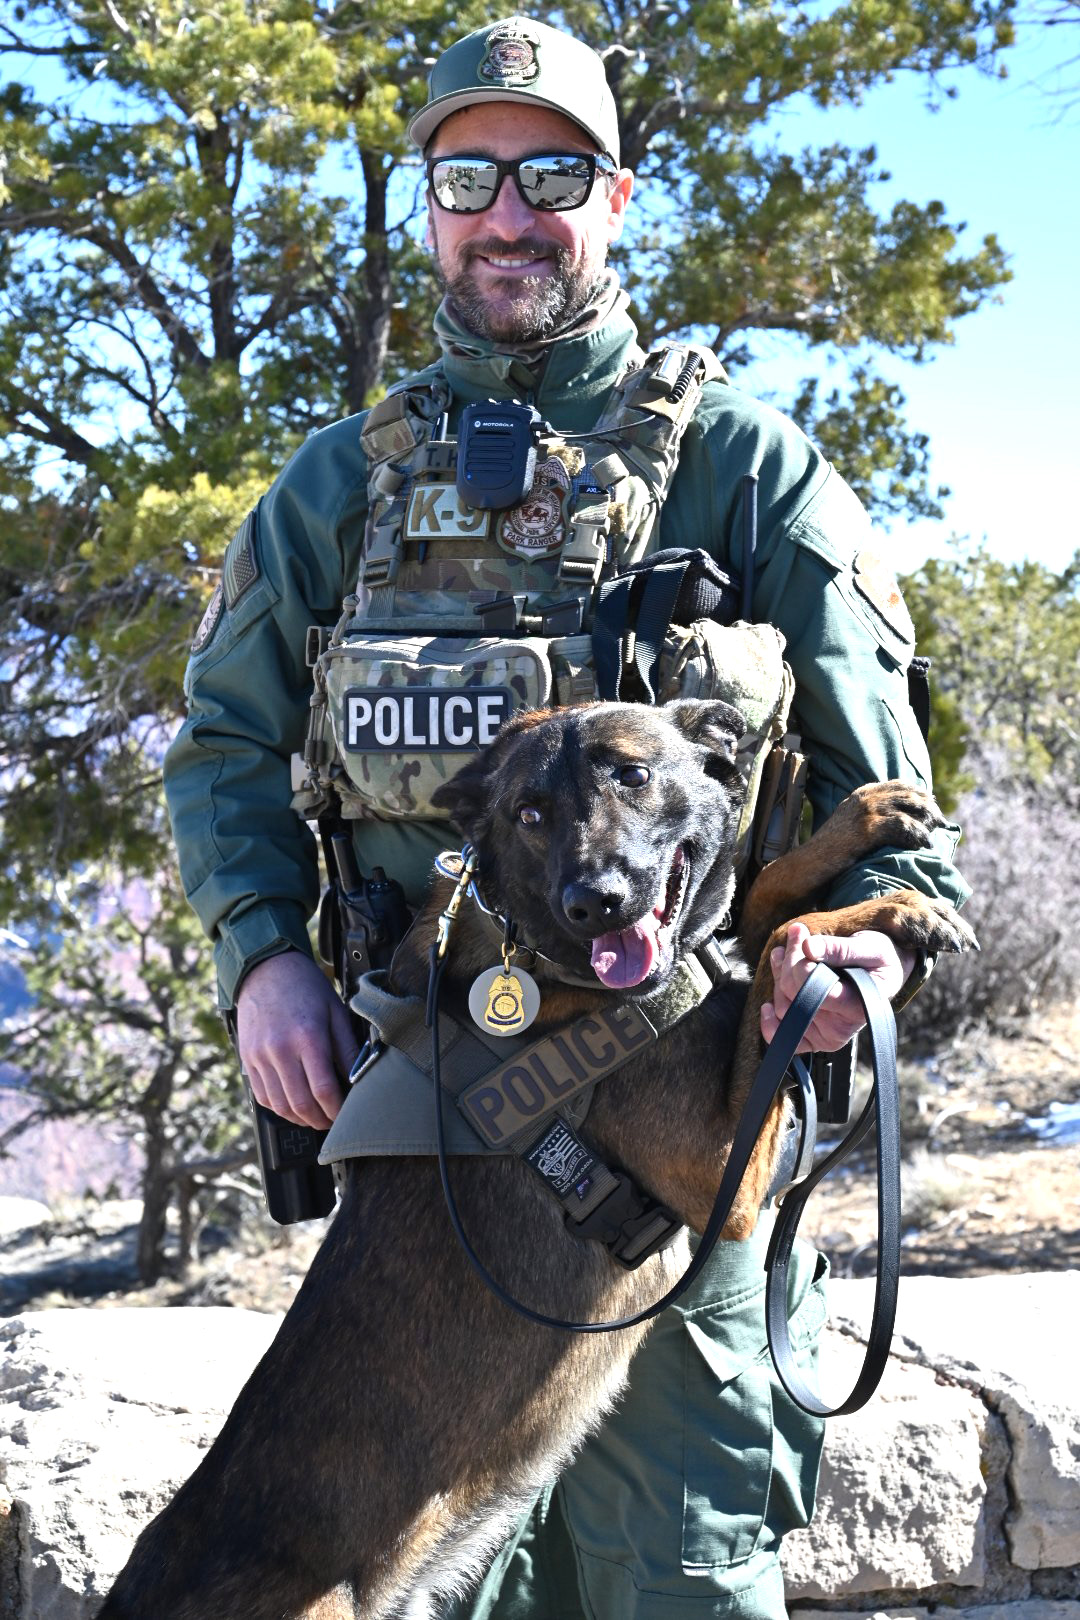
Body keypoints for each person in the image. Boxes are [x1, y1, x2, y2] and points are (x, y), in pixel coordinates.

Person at [163, 16, 968, 1618]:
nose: (509, 212)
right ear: (430, 204)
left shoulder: (752, 471)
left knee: (675, 1578)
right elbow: (225, 751)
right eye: (471, 174)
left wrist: (859, 964)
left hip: (684, 1153)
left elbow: (896, 831)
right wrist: (263, 957)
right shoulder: (333, 491)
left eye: (553, 172)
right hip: (427, 1176)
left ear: (616, 195)